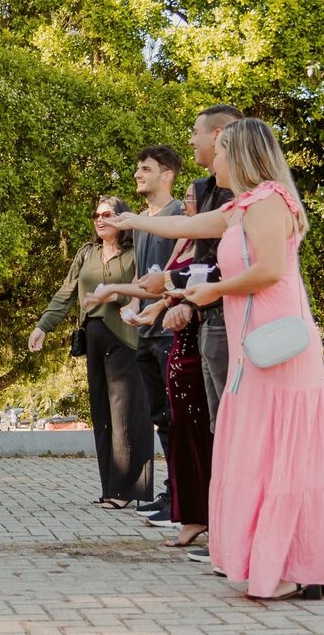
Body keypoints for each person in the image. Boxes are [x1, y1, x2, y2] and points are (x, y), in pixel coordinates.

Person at [107, 118, 324, 600]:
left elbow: (269, 270)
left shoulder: (269, 201)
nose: (215, 157)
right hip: (254, 345)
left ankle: (294, 567)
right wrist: (133, 222)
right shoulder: (242, 206)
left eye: (222, 150)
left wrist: (213, 290)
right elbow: (186, 226)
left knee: (279, 455)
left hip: (278, 345)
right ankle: (293, 564)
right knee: (263, 454)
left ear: (243, 154)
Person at [136, 104, 242, 560]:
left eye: (197, 133)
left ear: (221, 137)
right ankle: (208, 519)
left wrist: (181, 297)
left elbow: (231, 268)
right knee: (204, 428)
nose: (193, 141)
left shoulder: (256, 200)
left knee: (226, 429)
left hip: (226, 325)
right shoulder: (215, 197)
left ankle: (229, 528)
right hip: (206, 323)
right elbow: (196, 248)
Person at [89, 181, 213, 545]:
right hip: (172, 341)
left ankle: (201, 510)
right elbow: (162, 288)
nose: (185, 205)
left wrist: (181, 304)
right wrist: (133, 299)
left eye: (191, 199)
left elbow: (192, 281)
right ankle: (183, 503)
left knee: (196, 428)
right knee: (171, 423)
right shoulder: (185, 240)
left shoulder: (206, 239)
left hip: (194, 341)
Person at [28, 197, 152, 509]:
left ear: (122, 218)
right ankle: (110, 488)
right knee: (102, 414)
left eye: (107, 214)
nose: (99, 219)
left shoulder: (136, 253)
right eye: (96, 215)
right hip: (94, 337)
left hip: (126, 338)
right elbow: (66, 292)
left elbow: (147, 291)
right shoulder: (87, 253)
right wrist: (43, 326)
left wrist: (117, 296)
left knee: (126, 415)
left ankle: (128, 490)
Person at [128, 145, 183, 526]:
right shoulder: (141, 221)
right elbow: (142, 274)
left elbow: (178, 271)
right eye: (138, 168)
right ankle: (173, 490)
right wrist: (130, 302)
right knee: (160, 417)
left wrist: (161, 307)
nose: (138, 174)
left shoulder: (180, 215)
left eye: (146, 169)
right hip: (145, 333)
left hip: (170, 331)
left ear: (167, 175)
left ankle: (183, 497)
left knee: (177, 417)